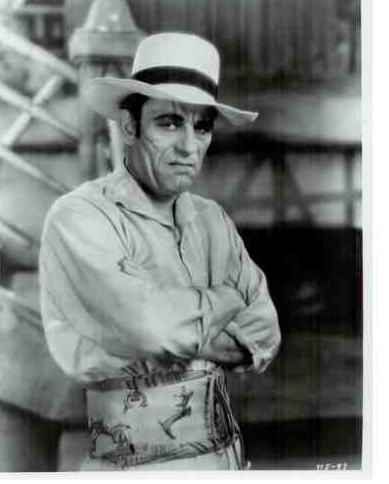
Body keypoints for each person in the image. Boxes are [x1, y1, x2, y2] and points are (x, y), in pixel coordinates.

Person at [39, 32, 281, 471]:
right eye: (169, 123)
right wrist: (229, 297)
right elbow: (156, 329)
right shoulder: (80, 217)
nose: (188, 146)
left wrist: (177, 327)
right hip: (133, 466)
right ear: (130, 126)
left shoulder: (212, 221)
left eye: (201, 126)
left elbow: (264, 331)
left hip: (226, 460)